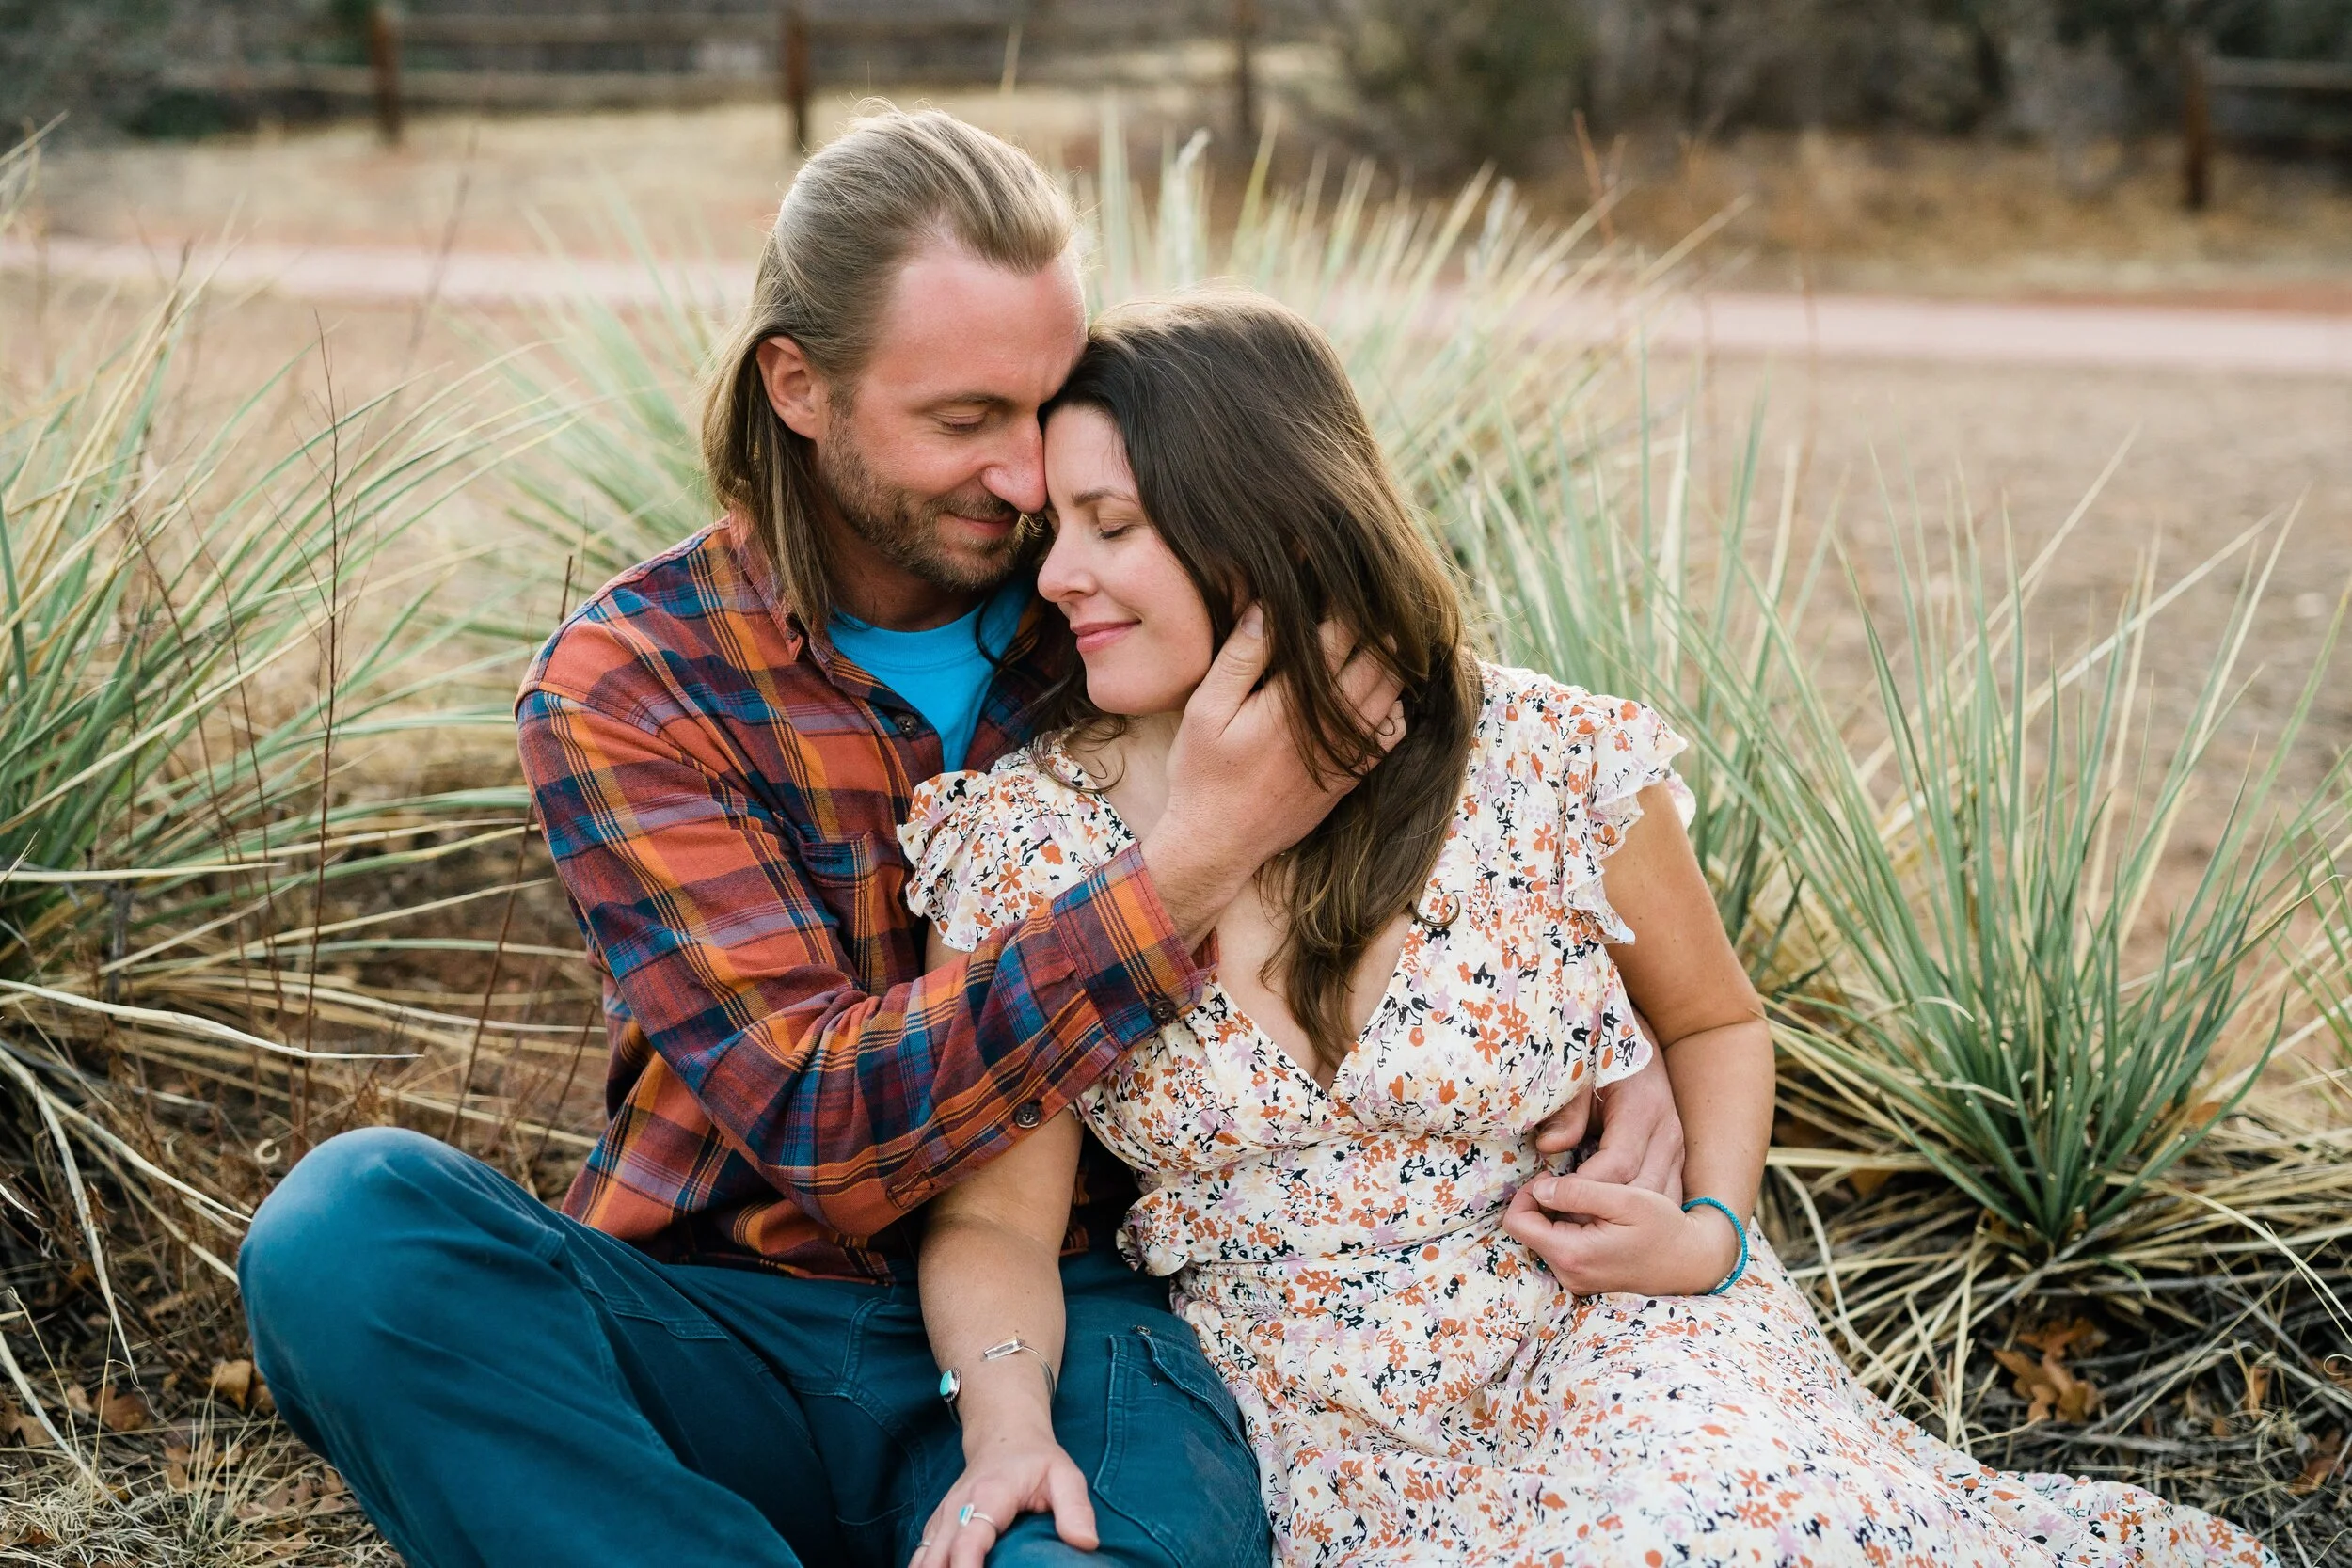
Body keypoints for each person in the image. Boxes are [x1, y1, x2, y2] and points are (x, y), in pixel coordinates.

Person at [231, 110, 1684, 1568]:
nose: (1023, 479)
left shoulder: (1132, 610)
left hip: (1075, 1319)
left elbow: (1475, 806)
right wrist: (1187, 858)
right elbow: (822, 1130)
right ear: (799, 386)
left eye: (1045, 408)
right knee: (347, 1235)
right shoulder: (635, 683)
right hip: (720, 1312)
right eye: (962, 420)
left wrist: (1634, 1054)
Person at [898, 293, 2280, 1568]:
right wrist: (1009, 1425)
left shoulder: (1544, 758)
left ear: (1272, 527)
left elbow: (1716, 1021)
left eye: (1112, 523)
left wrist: (1712, 1236)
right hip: (1304, 1409)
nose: (1059, 572)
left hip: (1606, 1333)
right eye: (1054, 529)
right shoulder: (1031, 846)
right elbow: (998, 1224)